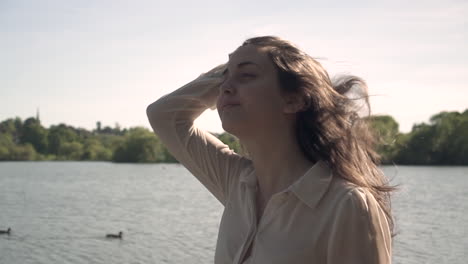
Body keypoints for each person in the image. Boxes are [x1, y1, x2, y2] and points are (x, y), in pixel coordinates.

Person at [147, 36, 394, 264]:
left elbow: (165, 117)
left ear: (294, 99)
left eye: (247, 76)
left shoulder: (347, 206)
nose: (225, 88)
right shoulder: (237, 183)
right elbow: (164, 116)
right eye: (224, 79)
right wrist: (230, 71)